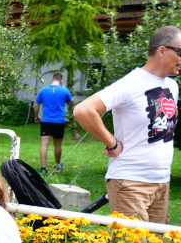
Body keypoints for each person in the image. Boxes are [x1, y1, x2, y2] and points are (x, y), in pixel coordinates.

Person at [74, 25, 180, 224]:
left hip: (161, 182)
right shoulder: (132, 83)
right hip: (131, 182)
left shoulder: (172, 86)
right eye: (180, 51)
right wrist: (112, 143)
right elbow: (83, 110)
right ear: (162, 50)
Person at [34, 71, 73, 174]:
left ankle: (43, 168)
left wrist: (36, 116)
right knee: (58, 145)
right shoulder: (64, 90)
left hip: (46, 120)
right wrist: (65, 89)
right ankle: (57, 166)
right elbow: (71, 103)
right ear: (60, 81)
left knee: (44, 144)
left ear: (52, 79)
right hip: (59, 121)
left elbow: (36, 105)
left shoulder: (43, 90)